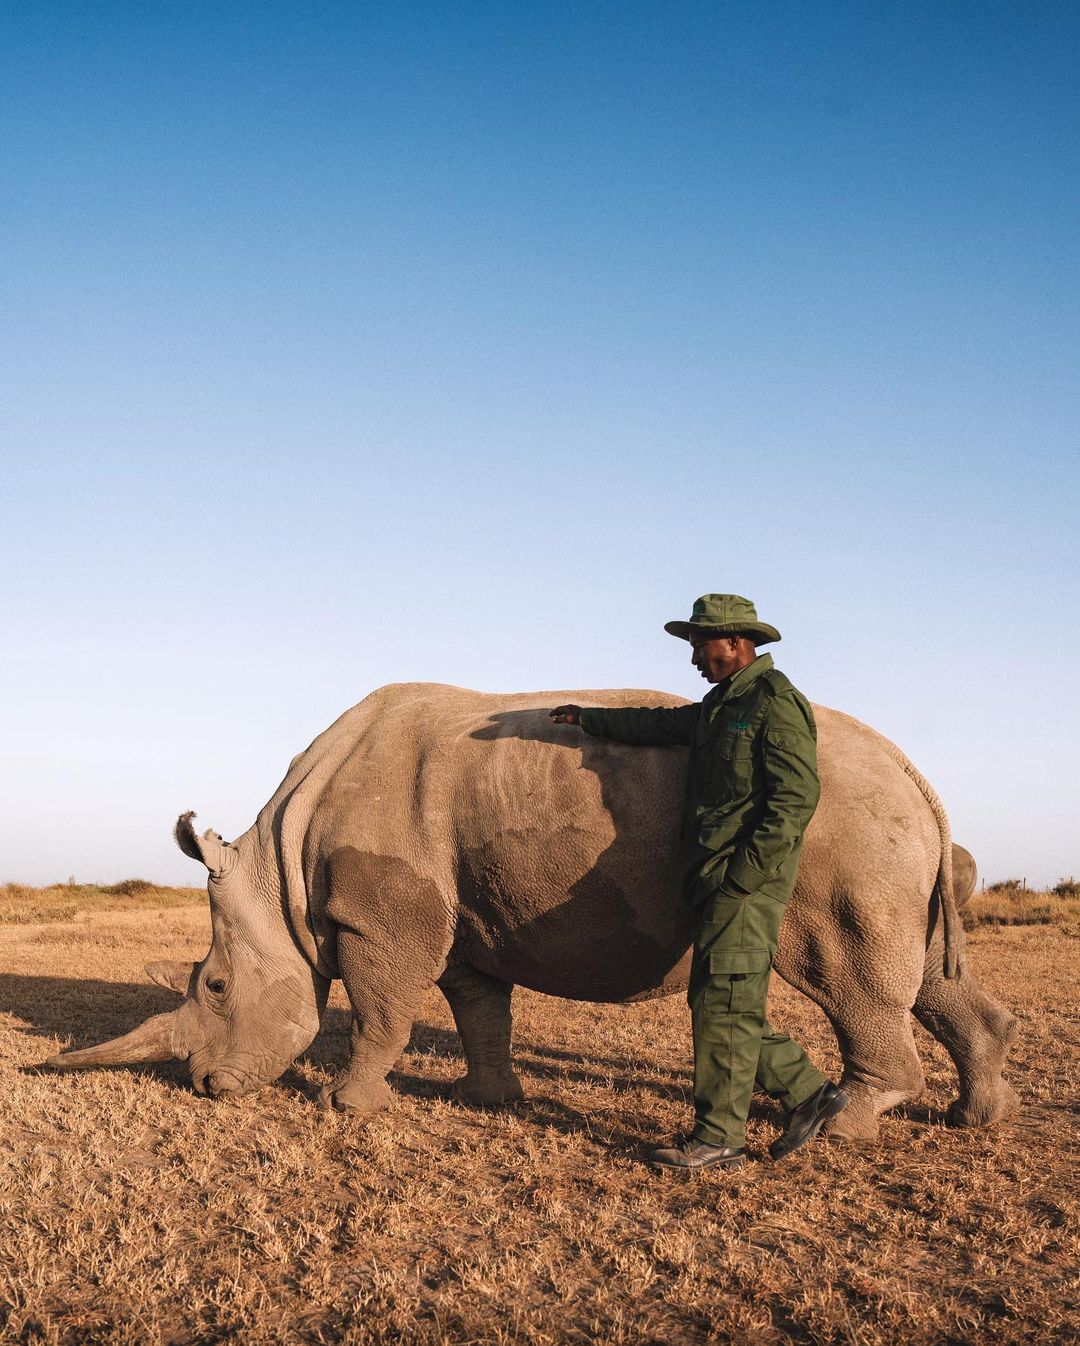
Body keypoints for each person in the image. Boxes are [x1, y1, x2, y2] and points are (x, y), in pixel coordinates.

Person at [549, 593, 847, 1170]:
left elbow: (793, 800)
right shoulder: (720, 706)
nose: (692, 658)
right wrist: (587, 716)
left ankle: (719, 1139)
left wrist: (742, 877)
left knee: (723, 1004)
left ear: (735, 642)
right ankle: (808, 1092)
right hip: (717, 876)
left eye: (698, 645)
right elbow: (660, 725)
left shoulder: (776, 703)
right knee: (722, 1003)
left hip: (744, 883)